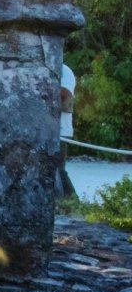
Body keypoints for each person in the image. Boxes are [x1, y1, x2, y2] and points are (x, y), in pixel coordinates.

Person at [58, 65, 77, 198]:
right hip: (47, 131)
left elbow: (66, 97)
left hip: (61, 130)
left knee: (59, 170)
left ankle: (73, 202)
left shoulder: (64, 70)